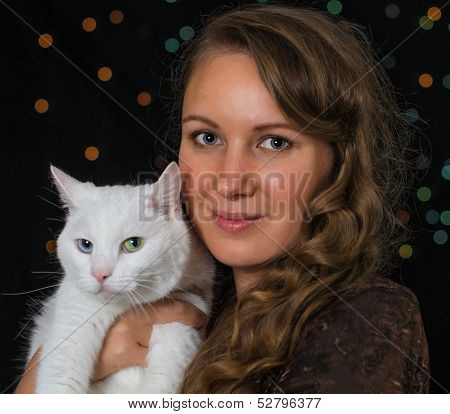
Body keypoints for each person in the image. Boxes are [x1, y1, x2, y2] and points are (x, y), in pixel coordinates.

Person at [15, 3, 430, 394]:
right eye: (207, 137)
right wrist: (62, 359)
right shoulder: (185, 300)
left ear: (338, 164)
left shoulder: (368, 319)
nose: (230, 181)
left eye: (274, 142)